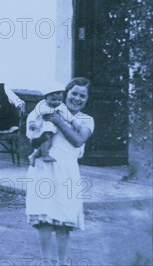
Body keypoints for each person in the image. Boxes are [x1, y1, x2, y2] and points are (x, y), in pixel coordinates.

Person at [25, 77, 94, 266]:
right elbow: (32, 137)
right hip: (44, 168)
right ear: (66, 94)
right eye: (74, 93)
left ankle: (62, 262)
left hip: (67, 172)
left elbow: (78, 140)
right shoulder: (46, 110)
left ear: (87, 99)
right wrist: (38, 133)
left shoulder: (86, 120)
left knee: (64, 220)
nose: (77, 98)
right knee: (43, 219)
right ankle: (45, 261)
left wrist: (59, 121)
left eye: (83, 95)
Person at [26, 85, 69, 166]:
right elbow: (33, 114)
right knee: (46, 139)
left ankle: (33, 156)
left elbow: (67, 115)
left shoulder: (61, 106)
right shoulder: (42, 105)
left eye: (59, 100)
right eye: (53, 100)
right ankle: (45, 155)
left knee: (48, 144)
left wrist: (73, 122)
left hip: (54, 128)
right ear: (46, 98)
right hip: (44, 126)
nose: (56, 102)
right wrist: (32, 122)